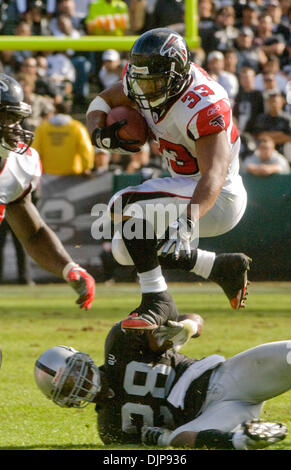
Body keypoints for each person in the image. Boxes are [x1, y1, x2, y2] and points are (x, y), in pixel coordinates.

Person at [86, 28, 251, 328]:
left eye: (156, 83)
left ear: (177, 76)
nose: (146, 90)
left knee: (122, 204)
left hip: (217, 197)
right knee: (126, 247)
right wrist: (98, 134)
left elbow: (213, 177)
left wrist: (187, 220)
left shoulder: (204, 104)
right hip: (187, 188)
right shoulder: (143, 77)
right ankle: (220, 268)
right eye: (142, 82)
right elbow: (101, 102)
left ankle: (156, 301)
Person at [34, 312, 289, 450]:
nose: (81, 384)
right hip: (211, 418)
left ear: (84, 360)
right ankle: (246, 439)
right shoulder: (110, 429)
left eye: (77, 373)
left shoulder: (121, 345)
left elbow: (192, 318)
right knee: (178, 439)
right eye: (68, 386)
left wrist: (188, 326)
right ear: (65, 401)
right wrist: (163, 440)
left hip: (224, 378)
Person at [0, 72, 95, 309]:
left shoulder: (19, 164)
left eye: (16, 118)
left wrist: (68, 267)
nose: (14, 127)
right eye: (6, 117)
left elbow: (33, 233)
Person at [32, 101, 94, 175]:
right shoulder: (77, 127)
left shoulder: (43, 127)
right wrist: (86, 167)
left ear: (55, 111)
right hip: (72, 173)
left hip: (48, 172)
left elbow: (35, 148)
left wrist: (35, 167)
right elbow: (86, 149)